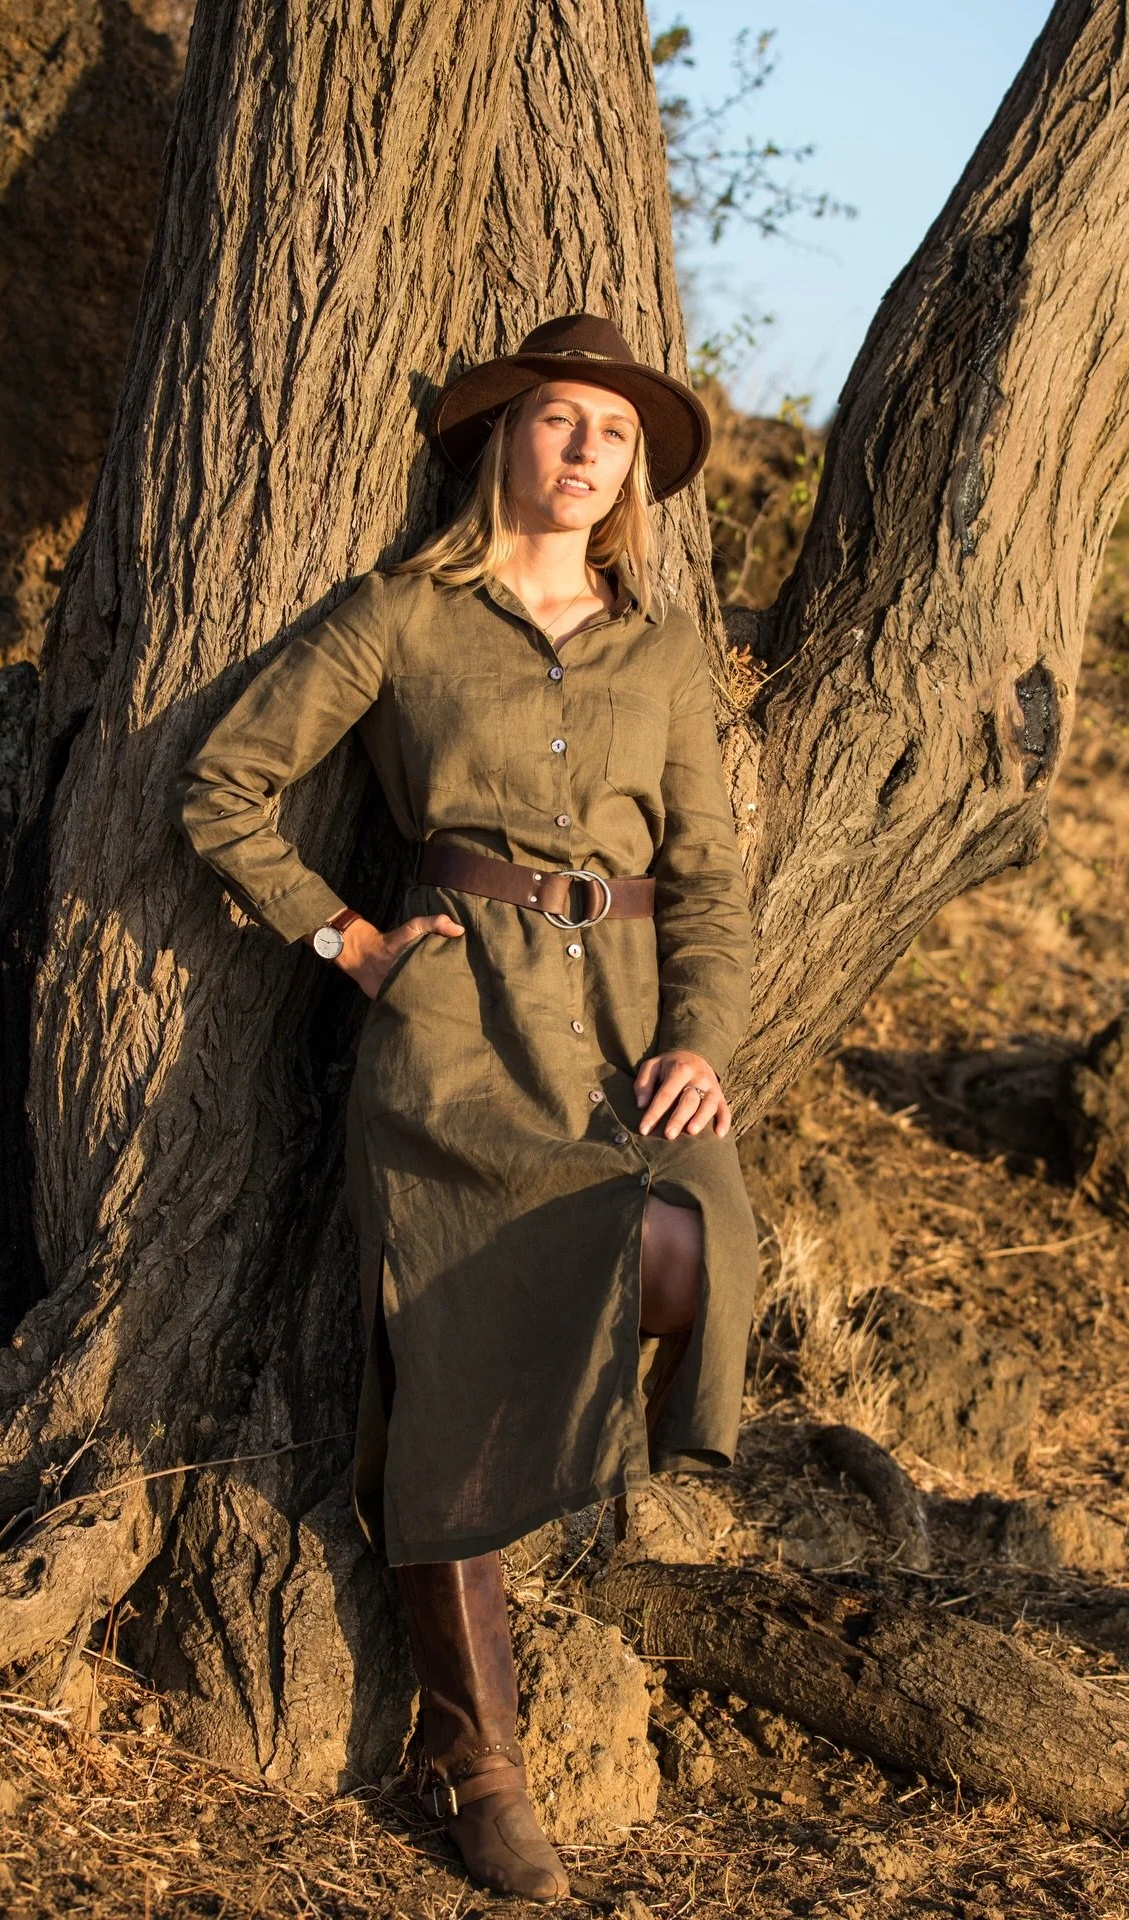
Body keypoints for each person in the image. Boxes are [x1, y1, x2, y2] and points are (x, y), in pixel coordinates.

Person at [172, 312, 757, 1904]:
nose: (587, 452)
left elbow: (710, 878)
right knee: (452, 1365)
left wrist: (703, 1036)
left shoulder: (664, 652)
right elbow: (223, 785)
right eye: (562, 419)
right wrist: (348, 942)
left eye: (614, 435)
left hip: (628, 1032)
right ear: (501, 437)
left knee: (690, 1257)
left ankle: (548, 1483)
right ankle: (474, 1754)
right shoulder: (401, 615)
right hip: (454, 1037)